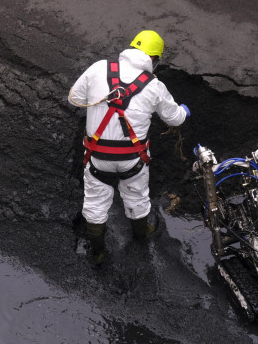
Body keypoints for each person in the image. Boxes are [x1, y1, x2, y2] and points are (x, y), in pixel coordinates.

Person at [68, 30, 190, 263]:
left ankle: (98, 253)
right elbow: (175, 119)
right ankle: (142, 235)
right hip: (132, 160)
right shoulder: (154, 85)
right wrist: (184, 111)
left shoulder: (98, 68)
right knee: (137, 198)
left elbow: (75, 98)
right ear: (154, 59)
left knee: (95, 203)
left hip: (97, 158)